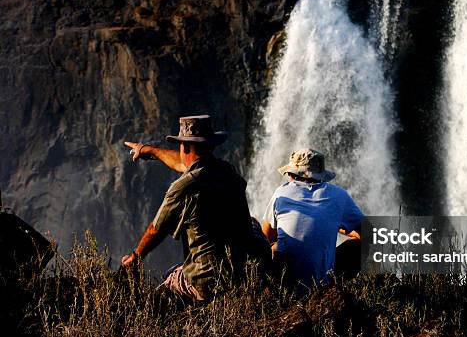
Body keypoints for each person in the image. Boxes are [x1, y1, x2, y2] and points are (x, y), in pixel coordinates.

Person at [121, 115, 256, 301]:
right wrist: (150, 150)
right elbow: (185, 164)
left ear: (183, 147)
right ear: (211, 145)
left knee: (169, 278)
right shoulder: (227, 172)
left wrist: (136, 256)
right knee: (254, 224)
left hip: (207, 280)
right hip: (243, 274)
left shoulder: (183, 187)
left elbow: (156, 230)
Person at [261, 148, 364, 291]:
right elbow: (368, 234)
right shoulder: (339, 195)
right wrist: (337, 227)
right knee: (362, 244)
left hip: (285, 283)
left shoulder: (281, 193)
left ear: (291, 174)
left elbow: (266, 236)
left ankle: (273, 288)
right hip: (322, 285)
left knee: (273, 245)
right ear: (321, 175)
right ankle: (337, 290)